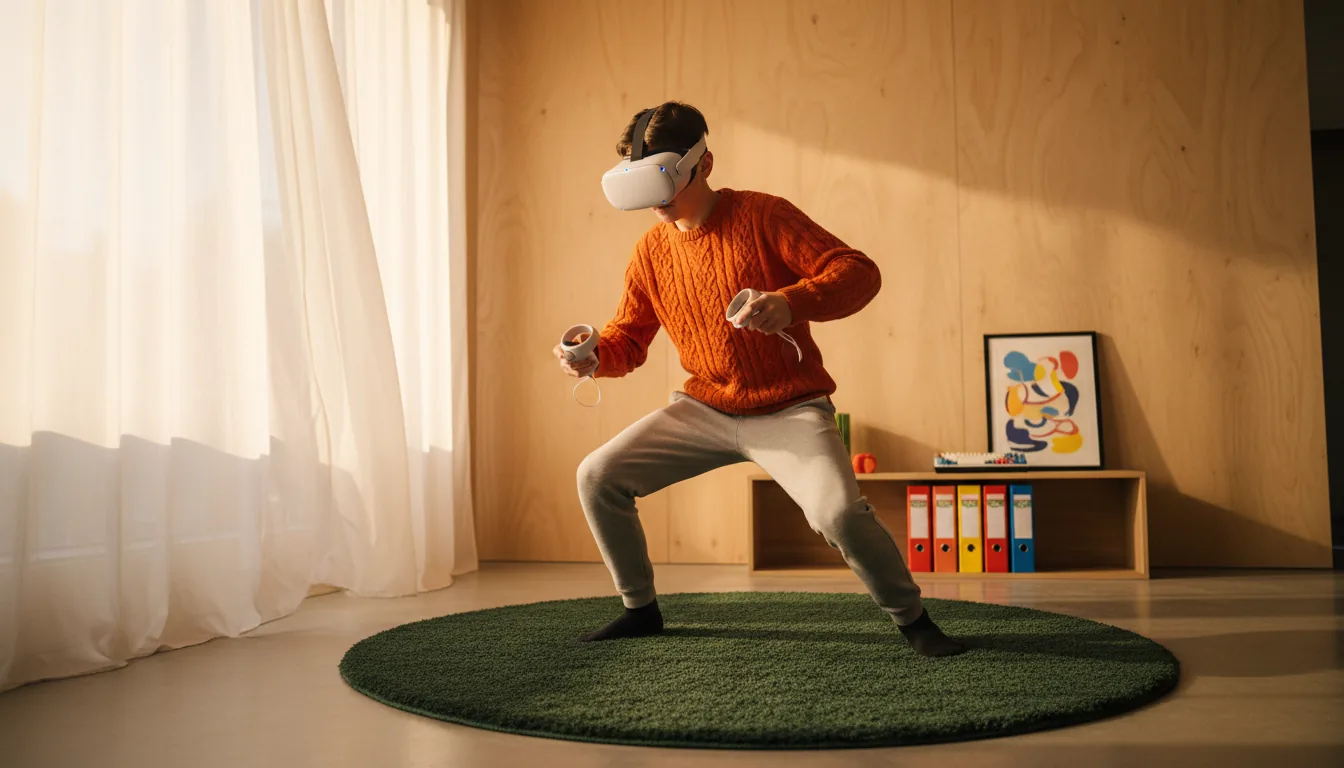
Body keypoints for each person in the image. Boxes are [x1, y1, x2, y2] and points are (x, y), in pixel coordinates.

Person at [553, 102, 966, 657]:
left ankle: (914, 621)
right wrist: (594, 357)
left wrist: (791, 303)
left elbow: (858, 272)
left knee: (839, 514)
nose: (656, 196)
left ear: (705, 164)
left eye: (664, 176)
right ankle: (640, 610)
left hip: (790, 409)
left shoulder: (763, 216)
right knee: (597, 476)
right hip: (704, 408)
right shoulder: (651, 251)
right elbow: (629, 339)